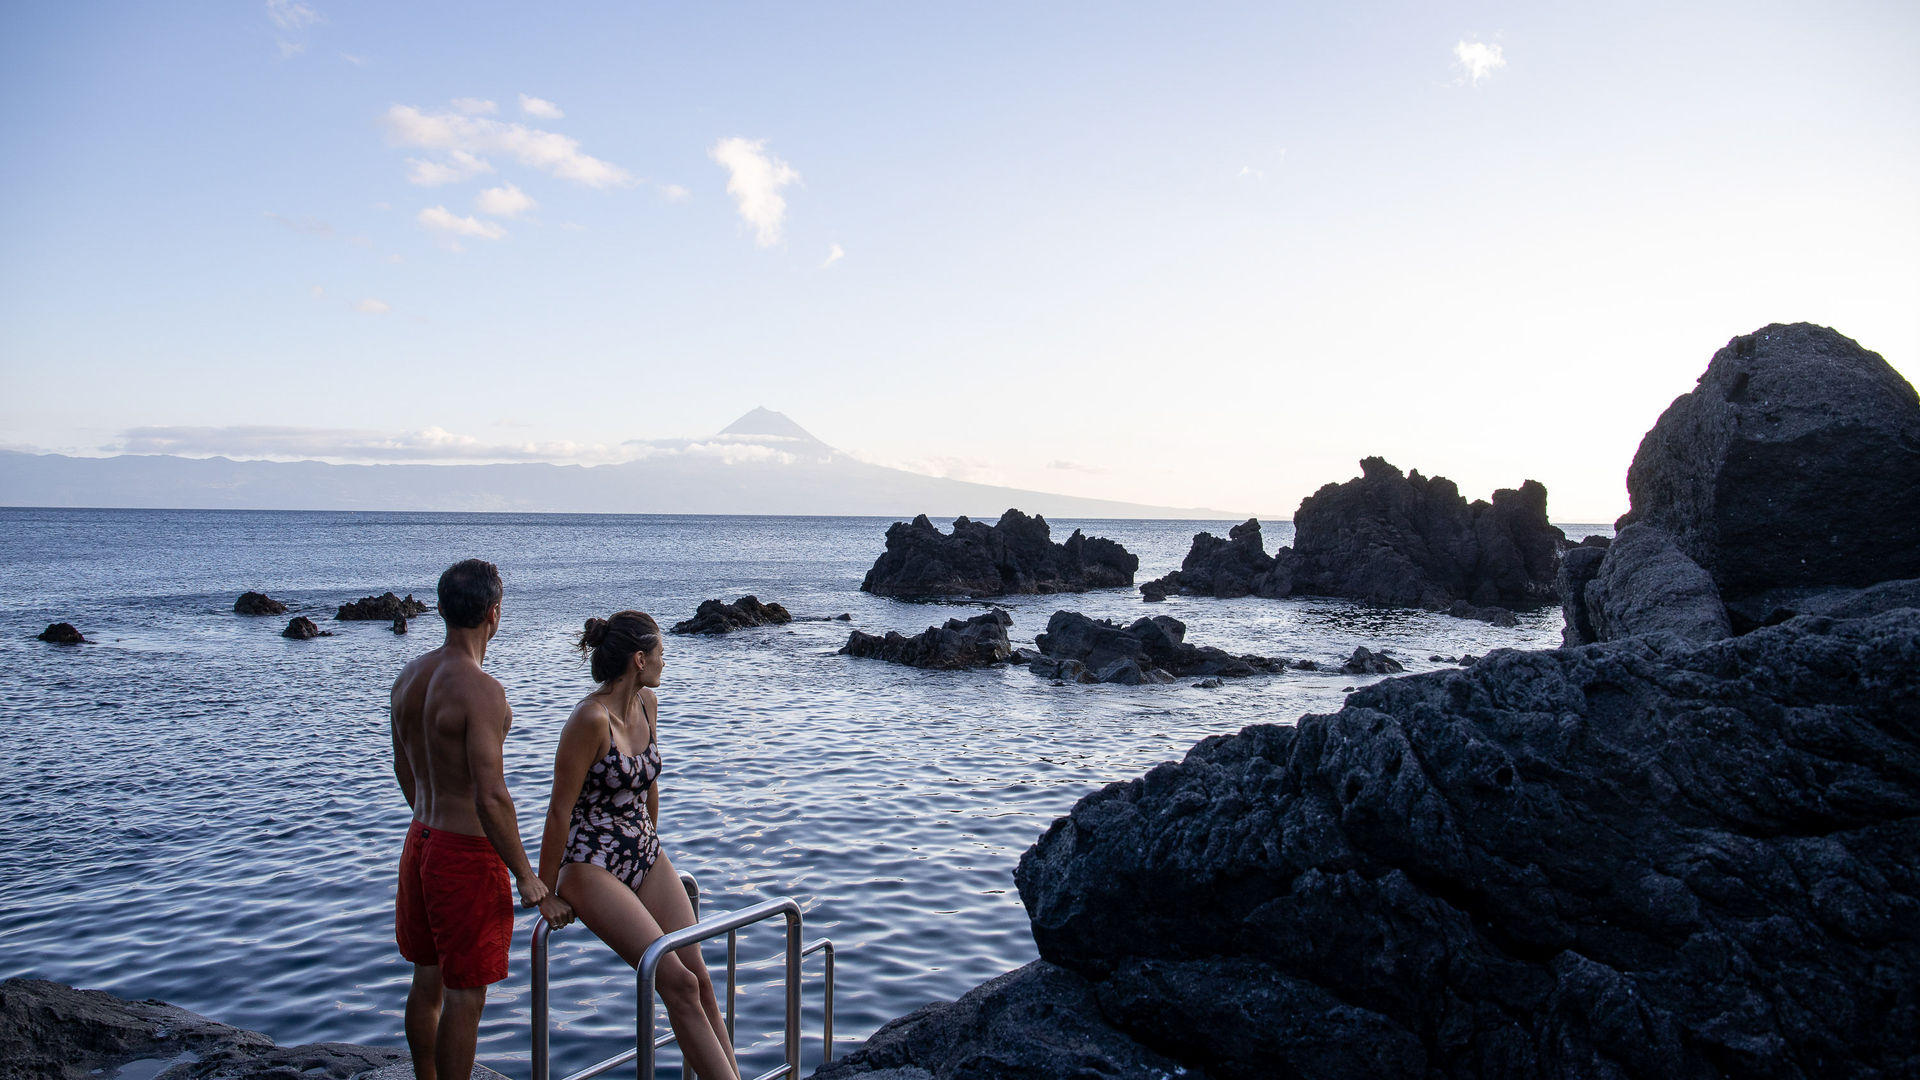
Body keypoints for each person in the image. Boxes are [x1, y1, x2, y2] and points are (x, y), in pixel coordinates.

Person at [391, 558, 574, 1080]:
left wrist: (429, 824)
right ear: (495, 613)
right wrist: (528, 875)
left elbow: (403, 767)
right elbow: (491, 797)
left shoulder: (409, 678)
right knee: (465, 994)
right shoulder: (482, 691)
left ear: (443, 609)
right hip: (464, 855)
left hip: (420, 840)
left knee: (426, 979)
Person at [538, 611, 740, 1080]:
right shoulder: (589, 720)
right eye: (661, 654)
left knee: (701, 979)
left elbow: (649, 783)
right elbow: (558, 812)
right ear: (639, 658)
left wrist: (652, 844)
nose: (665, 663)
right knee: (677, 983)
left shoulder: (648, 703)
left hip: (643, 851)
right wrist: (546, 891)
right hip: (591, 864)